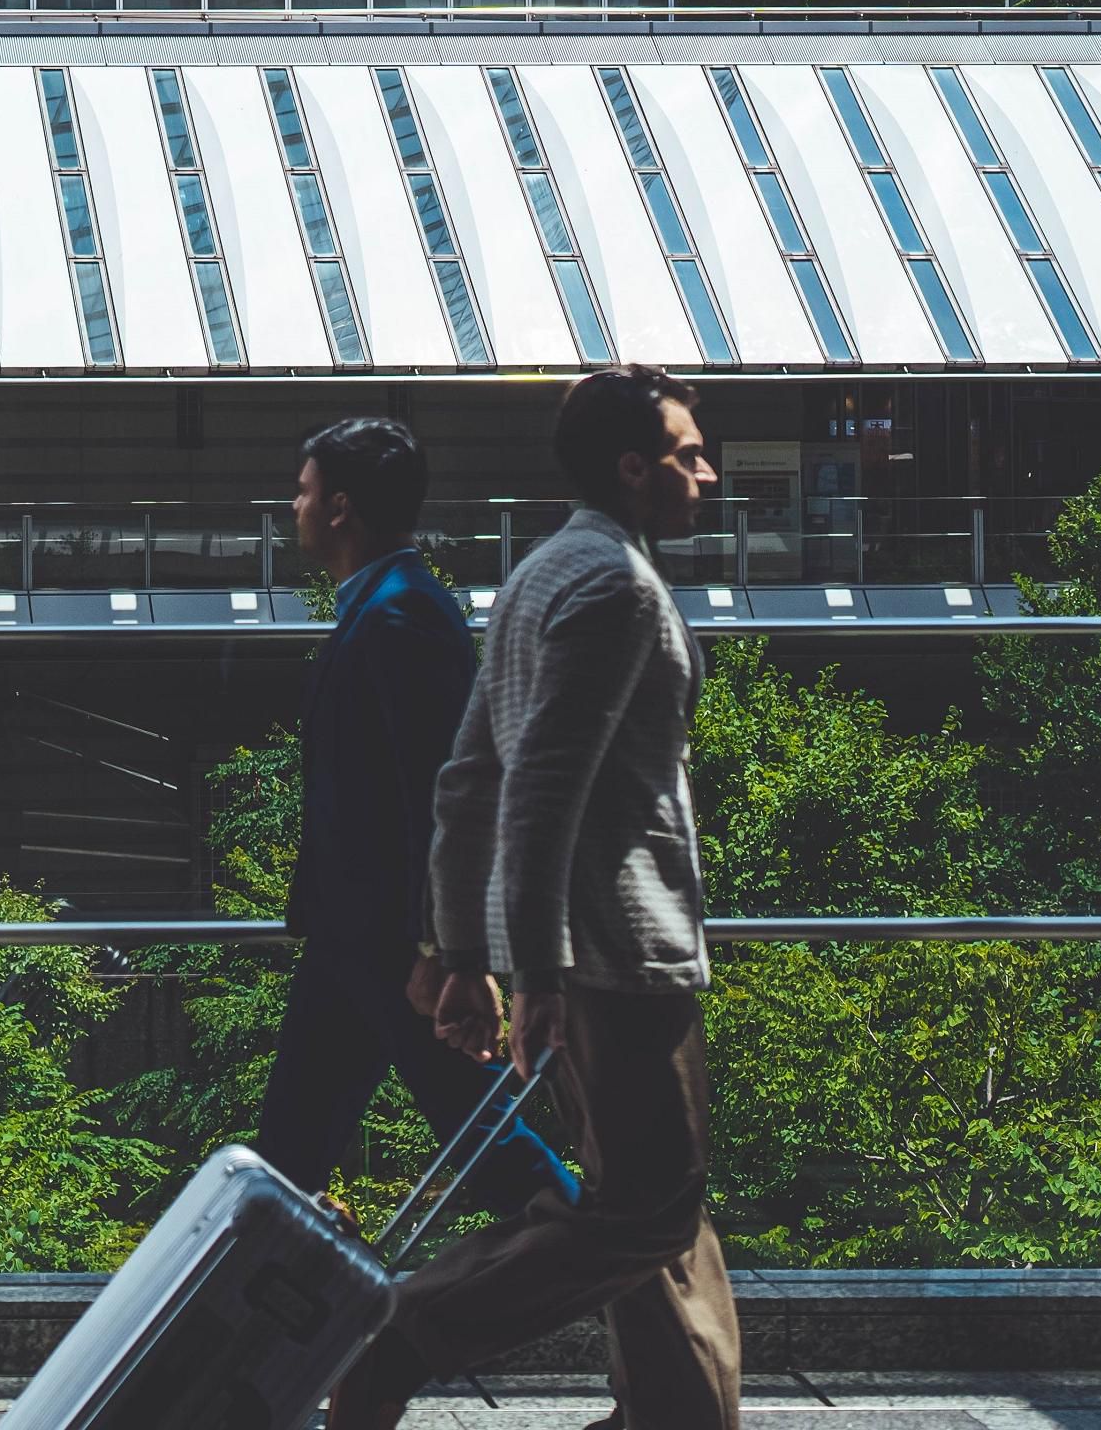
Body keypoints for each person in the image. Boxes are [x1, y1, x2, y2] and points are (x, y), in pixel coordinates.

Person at [346, 366, 738, 1430]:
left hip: (590, 954)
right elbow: (541, 796)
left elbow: (469, 779)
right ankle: (395, 1330)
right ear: (633, 467)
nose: (707, 469)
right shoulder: (613, 586)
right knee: (646, 1208)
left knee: (656, 1205)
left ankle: (672, 1417)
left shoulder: (536, 576)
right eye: (688, 451)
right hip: (620, 954)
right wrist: (535, 975)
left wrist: (461, 943)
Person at [256, 417, 577, 1212]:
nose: (290, 507)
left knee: (487, 1145)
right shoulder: (383, 608)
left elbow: (443, 794)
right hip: (354, 944)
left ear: (339, 508)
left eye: (302, 492)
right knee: (285, 1163)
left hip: (391, 953)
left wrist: (443, 949)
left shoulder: (400, 616)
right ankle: (245, 1317)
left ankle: (604, 1263)